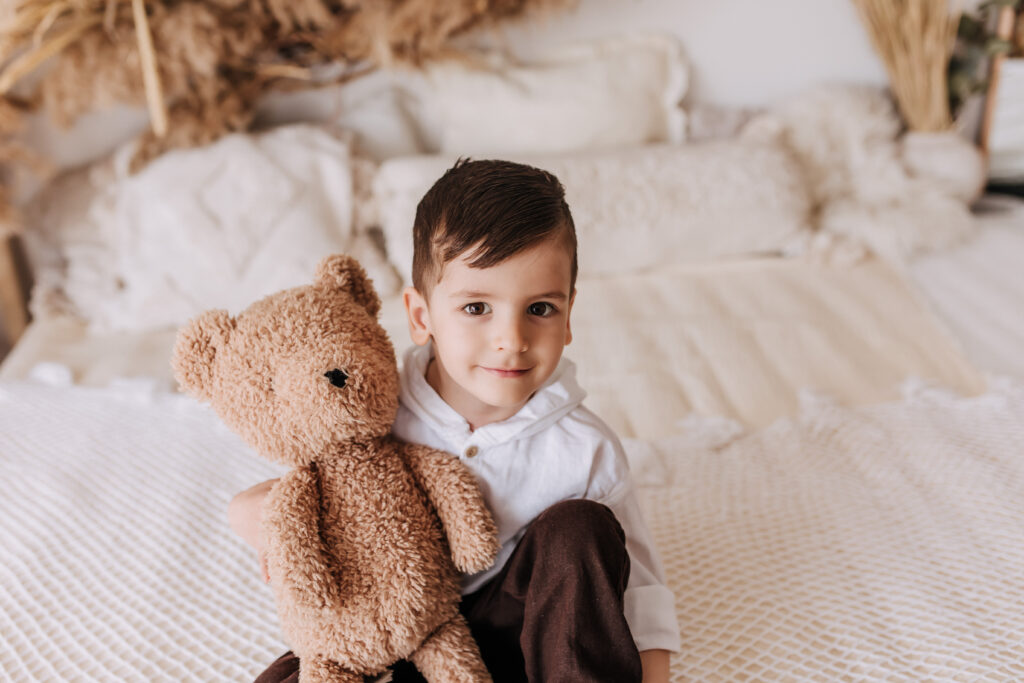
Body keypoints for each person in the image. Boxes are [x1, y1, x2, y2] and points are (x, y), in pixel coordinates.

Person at [228, 159, 681, 683]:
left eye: (539, 309)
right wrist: (273, 525)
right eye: (476, 309)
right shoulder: (374, 405)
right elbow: (286, 496)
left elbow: (637, 594)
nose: (511, 338)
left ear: (569, 314)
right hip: (398, 638)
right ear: (421, 317)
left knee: (581, 527)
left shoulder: (585, 447)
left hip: (529, 637)